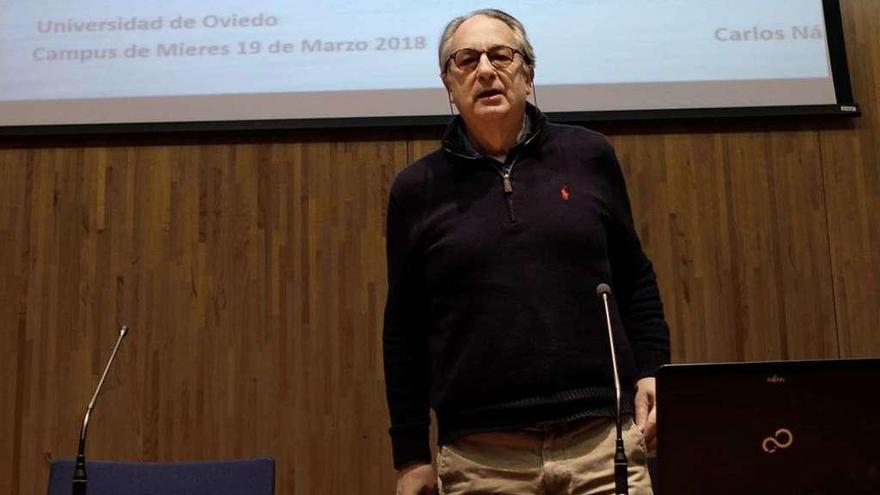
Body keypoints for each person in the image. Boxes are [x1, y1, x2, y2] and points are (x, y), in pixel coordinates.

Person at [383, 9, 670, 495]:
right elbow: (403, 329)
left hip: (602, 443)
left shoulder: (589, 156)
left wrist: (654, 371)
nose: (486, 71)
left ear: (529, 74)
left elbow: (634, 278)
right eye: (466, 60)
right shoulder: (416, 189)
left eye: (501, 55)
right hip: (481, 459)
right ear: (448, 85)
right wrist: (411, 456)